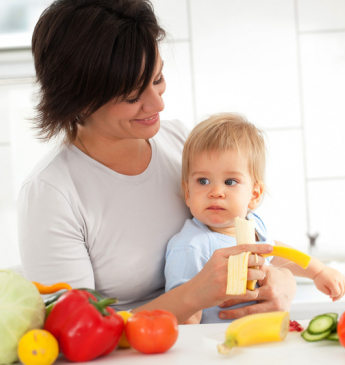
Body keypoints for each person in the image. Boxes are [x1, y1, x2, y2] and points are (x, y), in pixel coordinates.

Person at [17, 0, 297, 324]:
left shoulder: (180, 143)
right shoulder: (52, 194)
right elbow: (73, 331)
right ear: (77, 100)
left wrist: (283, 282)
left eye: (158, 78)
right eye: (133, 96)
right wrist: (192, 295)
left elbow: (243, 236)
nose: (157, 103)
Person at [165, 113, 345, 324]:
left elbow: (274, 251)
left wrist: (318, 271)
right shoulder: (191, 247)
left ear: (254, 194)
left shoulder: (254, 225)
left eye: (230, 181)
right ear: (187, 193)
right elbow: (183, 317)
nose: (216, 192)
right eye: (203, 180)